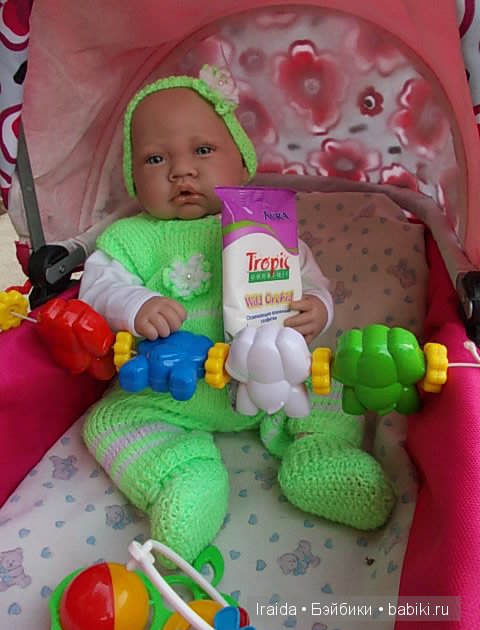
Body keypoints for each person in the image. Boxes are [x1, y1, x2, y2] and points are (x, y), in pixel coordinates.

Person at [79, 65, 395, 563]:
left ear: (243, 162)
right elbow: (97, 286)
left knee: (332, 379)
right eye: (156, 158)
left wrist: (316, 307)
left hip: (275, 381)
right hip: (170, 393)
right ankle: (184, 476)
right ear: (133, 177)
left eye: (203, 150)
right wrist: (134, 304)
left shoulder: (262, 223)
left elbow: (307, 277)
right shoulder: (131, 238)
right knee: (107, 420)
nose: (181, 172)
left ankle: (321, 456)